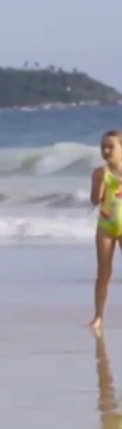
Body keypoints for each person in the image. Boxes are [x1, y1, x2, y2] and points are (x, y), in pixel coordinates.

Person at [90, 130, 122, 333]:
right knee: (103, 272)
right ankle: (98, 316)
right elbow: (95, 200)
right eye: (103, 147)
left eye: (111, 147)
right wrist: (100, 183)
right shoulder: (99, 172)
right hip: (106, 226)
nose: (106, 151)